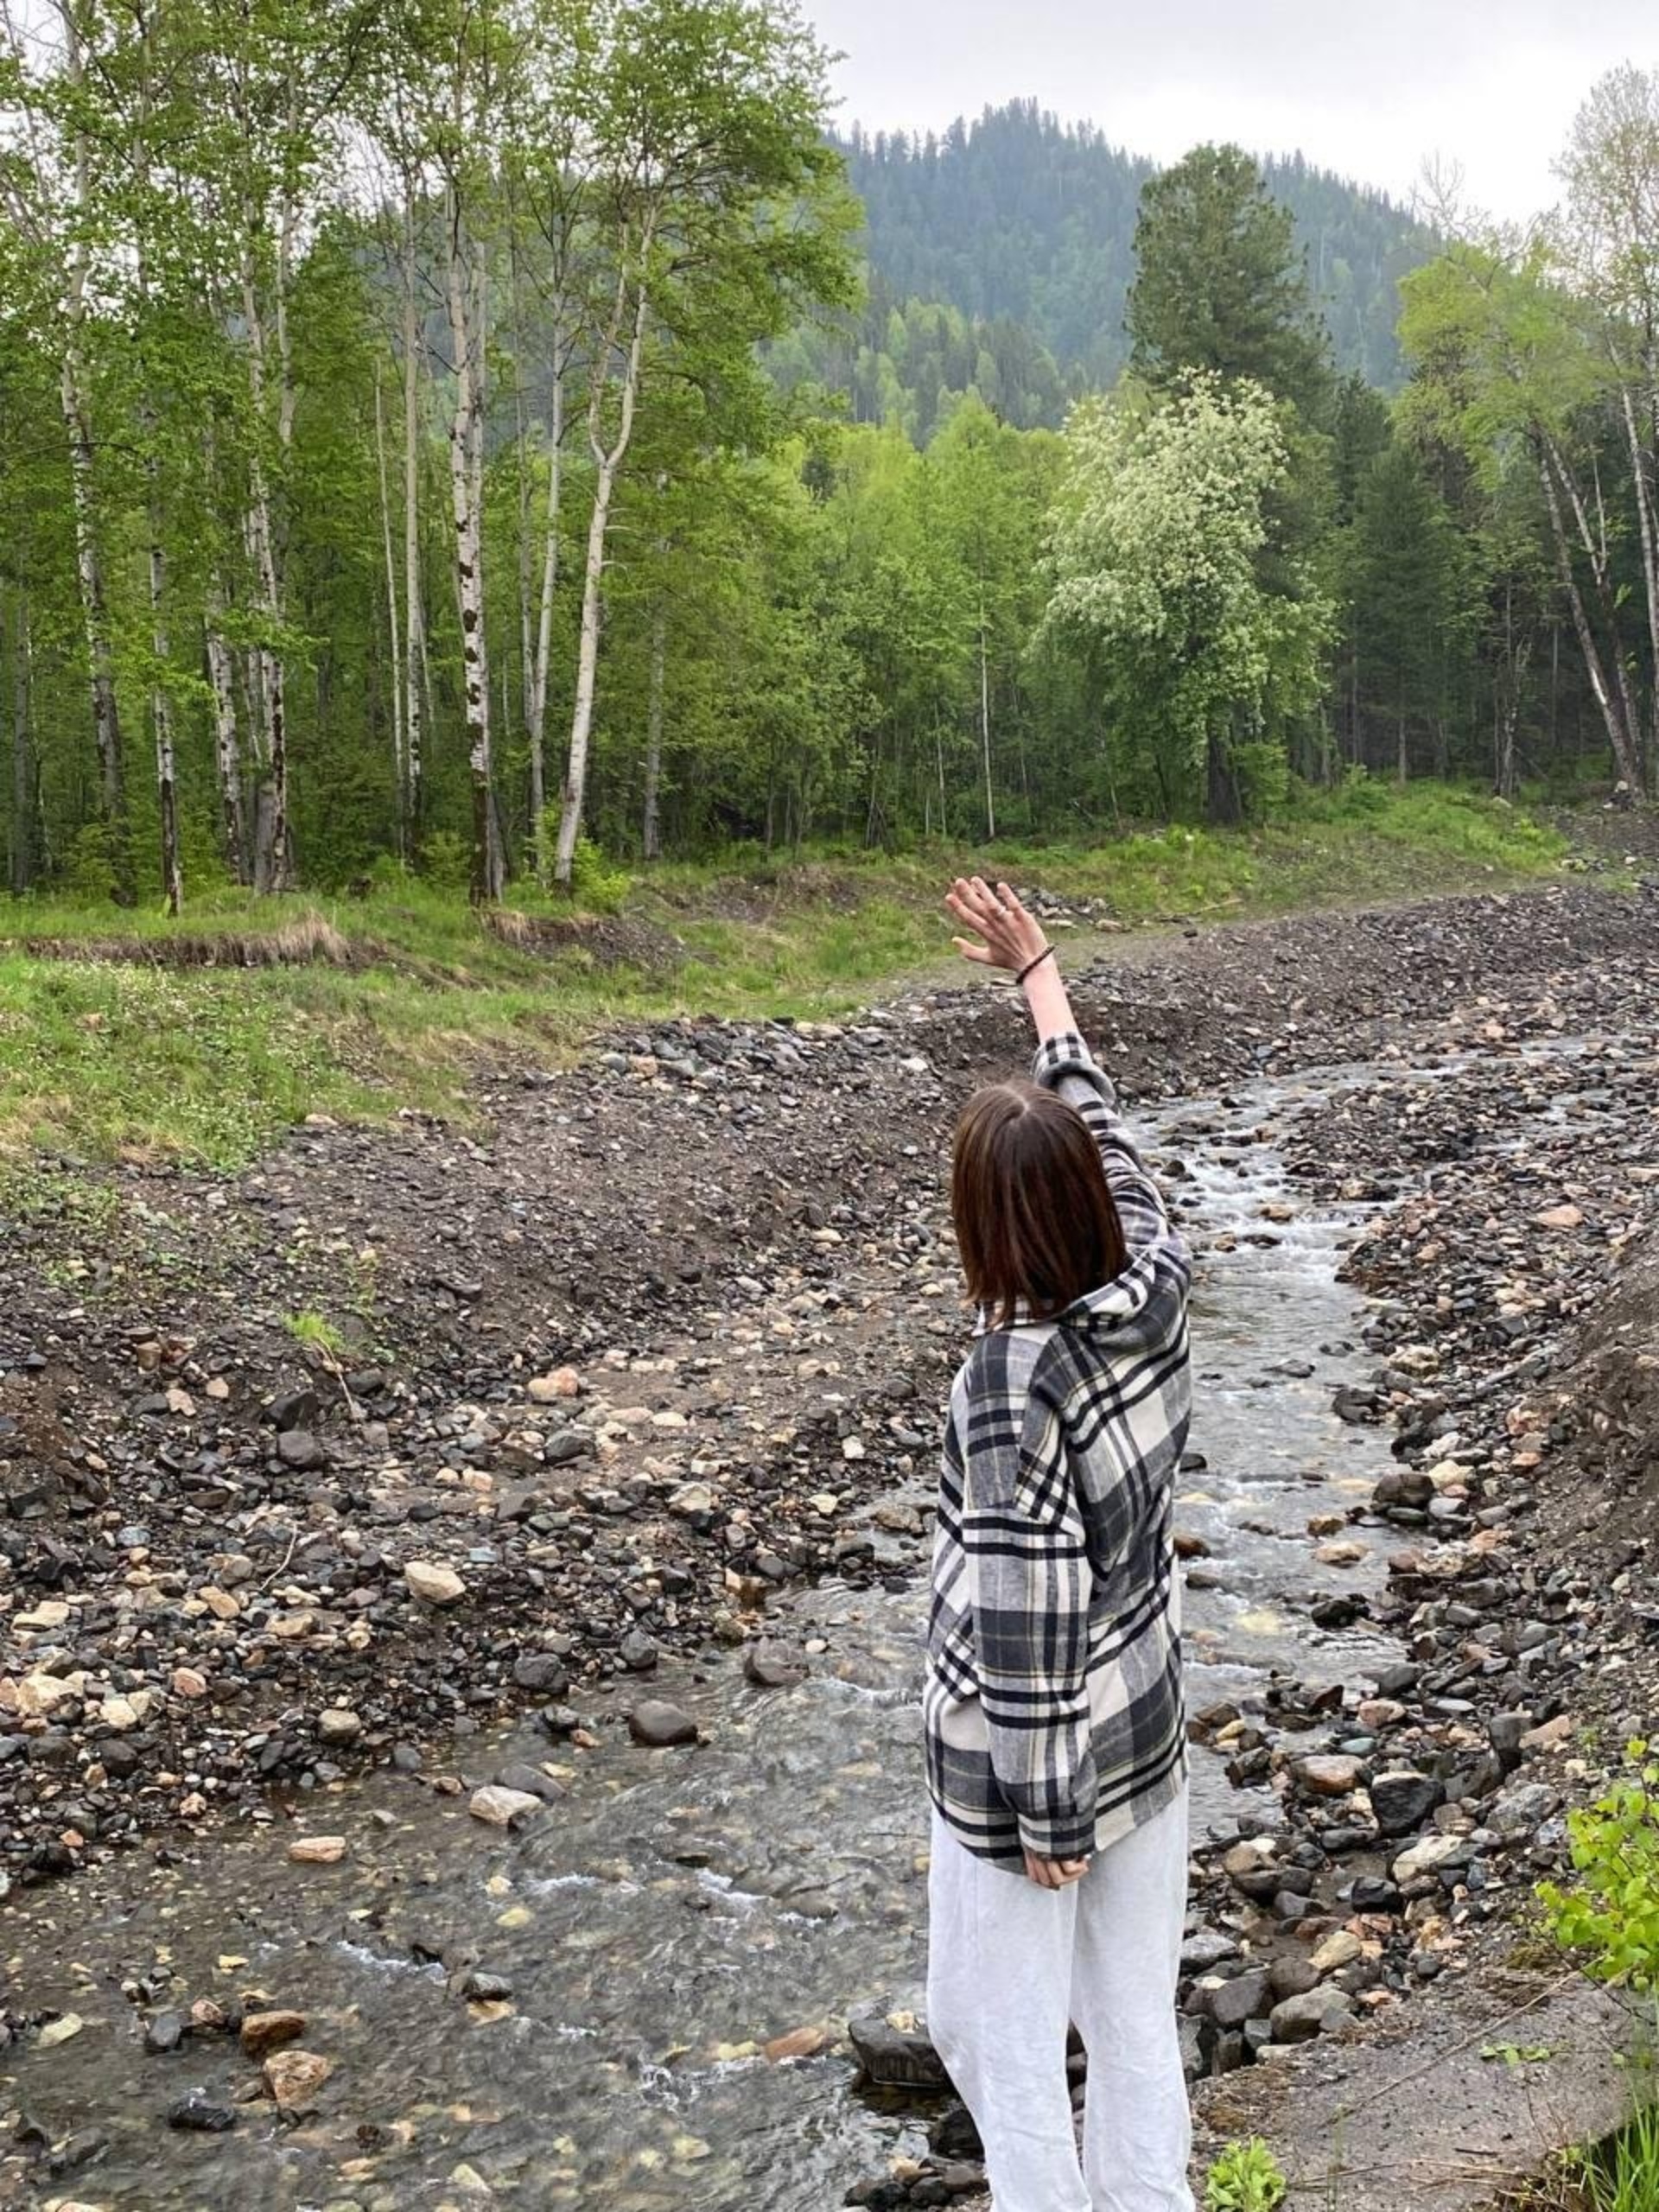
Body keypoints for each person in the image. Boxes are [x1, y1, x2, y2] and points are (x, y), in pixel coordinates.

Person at [924, 877, 1194, 2212]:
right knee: (1135, 2018)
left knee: (996, 2041)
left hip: (1037, 1773)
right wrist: (1042, 981)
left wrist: (1046, 1818)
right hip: (1147, 1717)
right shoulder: (1151, 1273)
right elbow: (1104, 1127)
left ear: (986, 1229)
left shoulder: (1010, 1385)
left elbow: (1028, 1622)